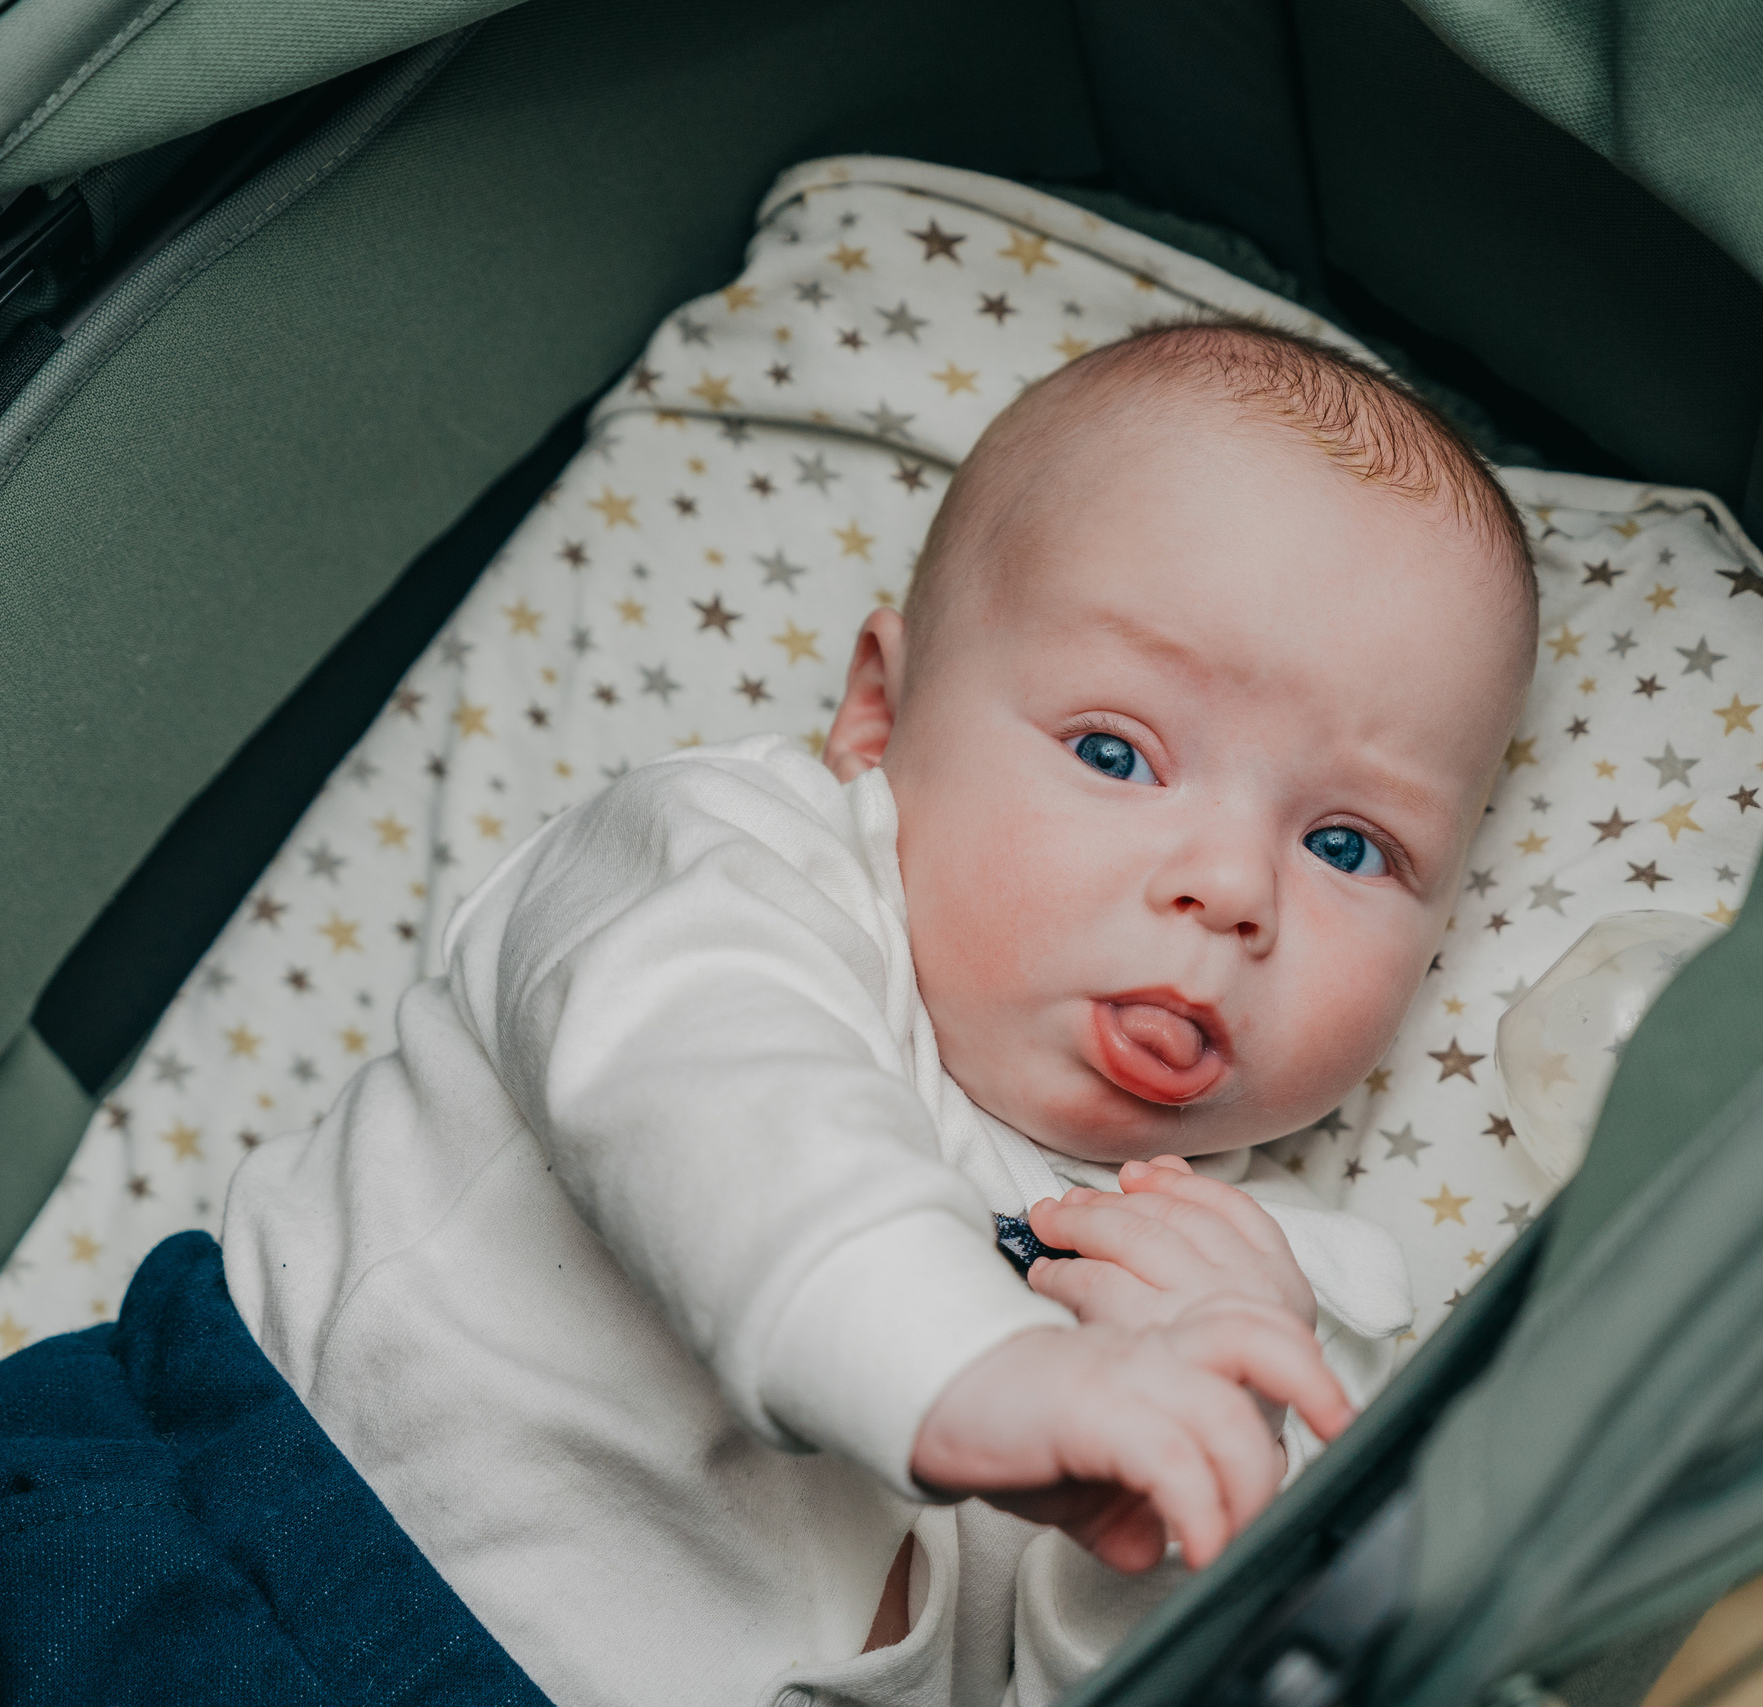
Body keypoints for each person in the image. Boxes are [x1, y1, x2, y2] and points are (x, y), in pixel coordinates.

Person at [220, 317, 1537, 1707]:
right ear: (877, 713)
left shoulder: (1287, 1311)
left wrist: (1176, 1525)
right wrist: (966, 1366)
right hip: (253, 1540)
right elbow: (709, 1094)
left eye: (1347, 847)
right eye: (1115, 752)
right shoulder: (732, 865)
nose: (1229, 888)